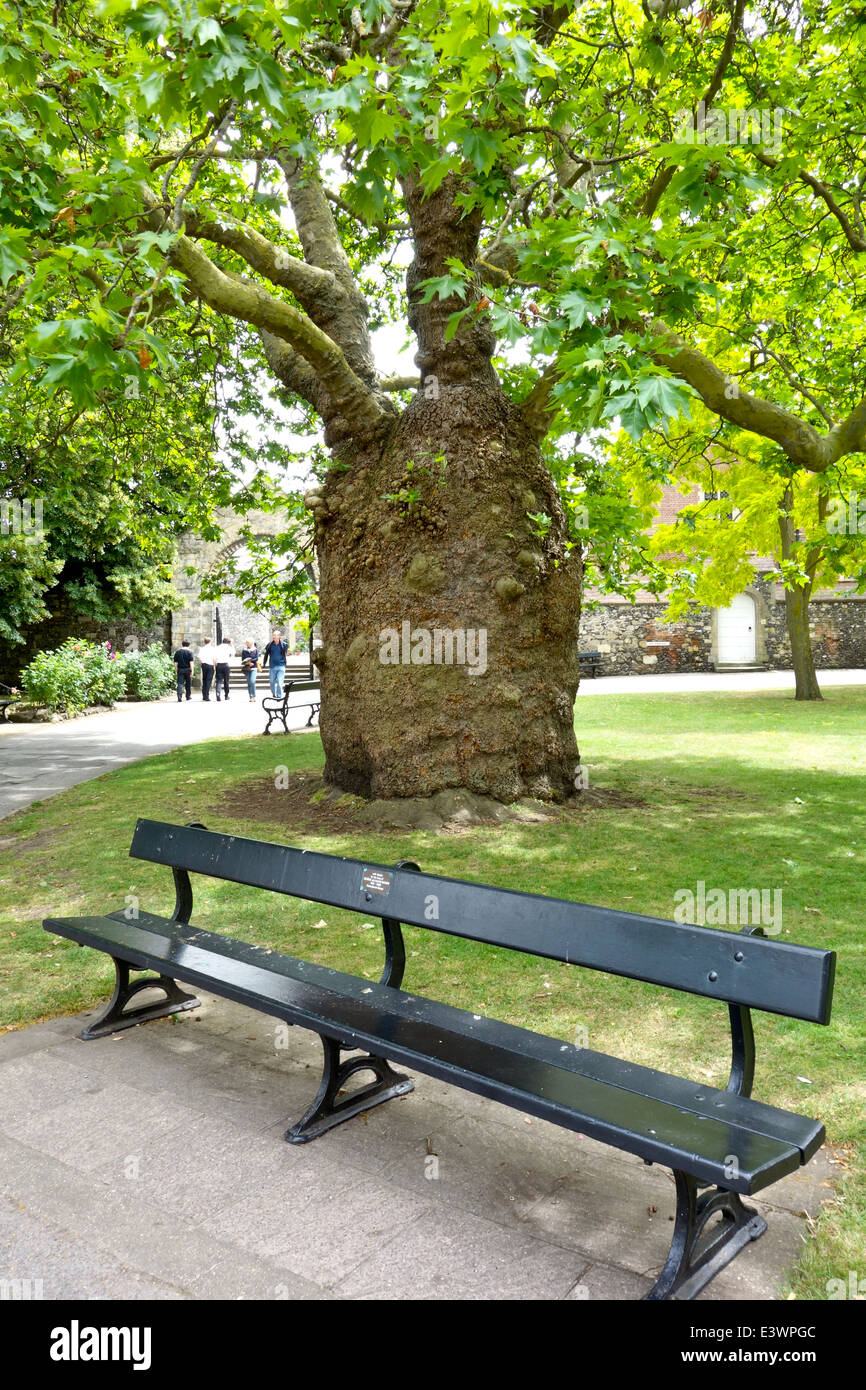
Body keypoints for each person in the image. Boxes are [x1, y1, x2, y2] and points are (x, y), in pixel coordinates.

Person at [262, 628, 288, 698]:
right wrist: (264, 663)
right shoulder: (269, 645)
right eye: (273, 635)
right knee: (272, 682)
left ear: (279, 636)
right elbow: (267, 654)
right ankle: (273, 693)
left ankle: (279, 696)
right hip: (272, 666)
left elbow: (284, 654)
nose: (273, 637)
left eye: (275, 635)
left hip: (281, 666)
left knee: (280, 682)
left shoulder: (284, 645)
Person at [214, 635, 233, 701]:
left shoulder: (217, 647)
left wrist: (214, 665)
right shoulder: (229, 647)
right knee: (226, 681)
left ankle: (218, 694)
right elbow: (233, 653)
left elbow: (214, 657)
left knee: (219, 680)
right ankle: (226, 695)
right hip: (226, 665)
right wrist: (231, 645)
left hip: (219, 665)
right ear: (228, 642)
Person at [198, 636, 216, 701]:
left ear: (204, 642)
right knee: (209, 681)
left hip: (204, 665)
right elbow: (214, 659)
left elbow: (199, 658)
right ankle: (206, 696)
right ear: (210, 642)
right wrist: (214, 666)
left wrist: (202, 663)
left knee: (204, 680)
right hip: (210, 665)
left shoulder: (202, 649)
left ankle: (204, 695)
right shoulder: (212, 649)